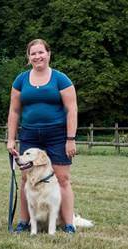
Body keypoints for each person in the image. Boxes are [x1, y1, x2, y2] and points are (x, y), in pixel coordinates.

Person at [6, 38, 79, 234]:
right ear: (28, 57)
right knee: (25, 179)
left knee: (62, 178)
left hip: (57, 134)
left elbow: (72, 109)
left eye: (41, 52)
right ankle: (24, 221)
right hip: (29, 133)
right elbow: (14, 111)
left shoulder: (60, 79)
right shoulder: (20, 80)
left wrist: (70, 139)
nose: (37, 56)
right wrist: (11, 139)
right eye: (33, 53)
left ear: (48, 54)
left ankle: (69, 223)